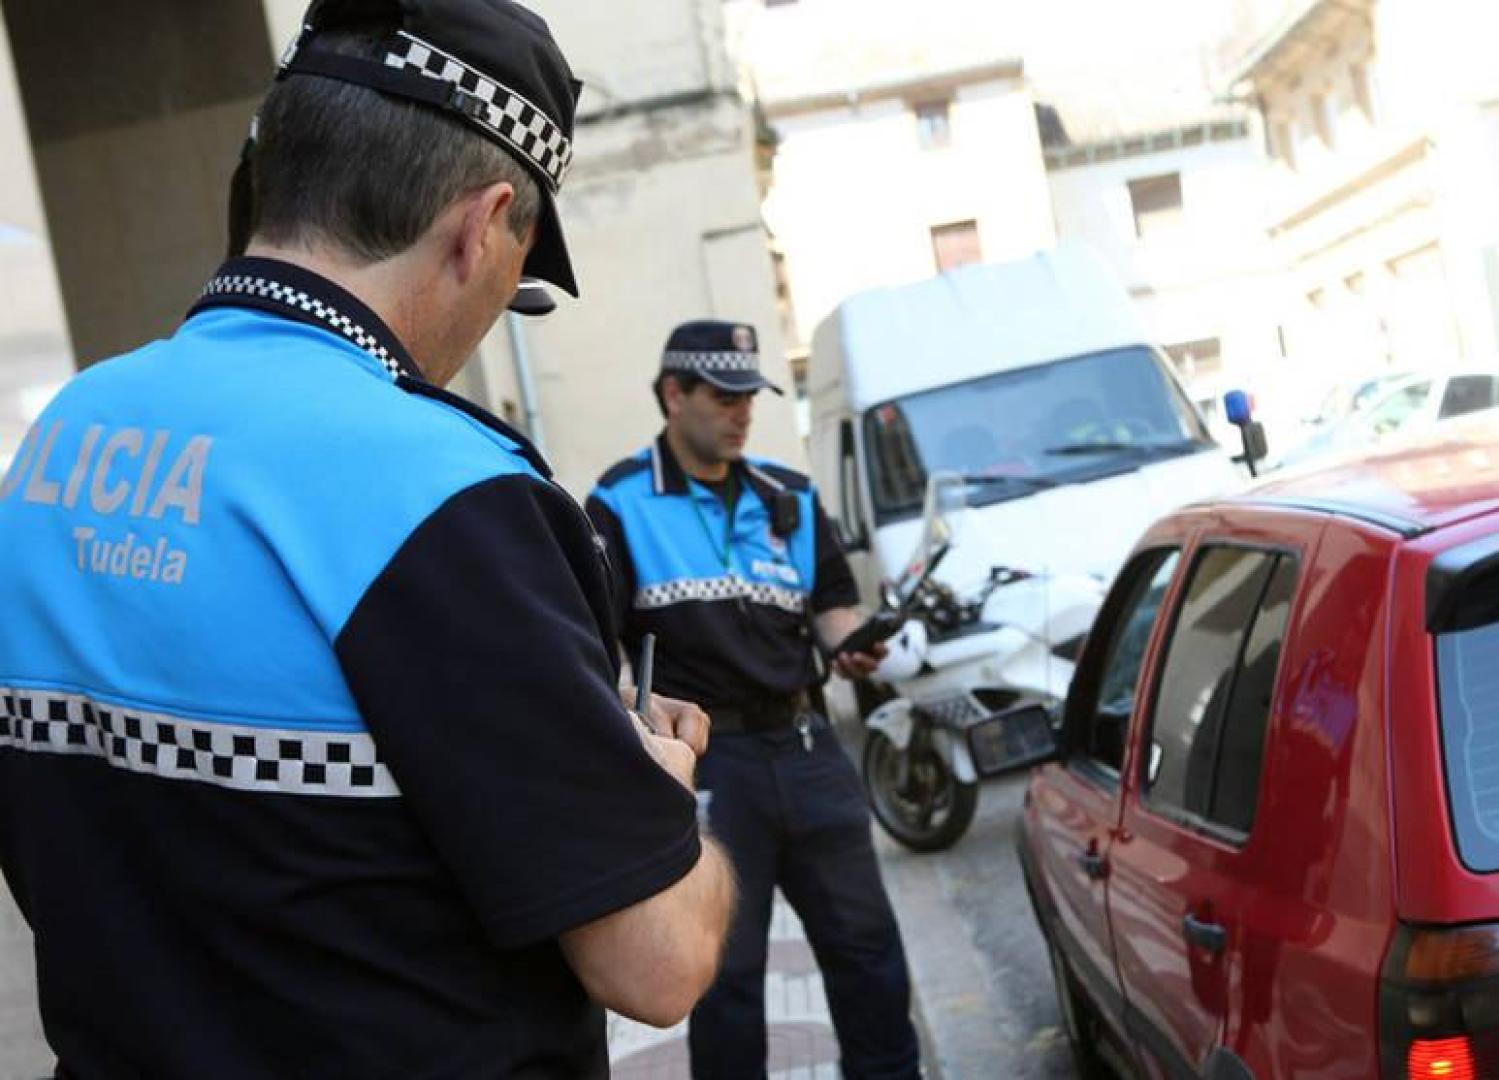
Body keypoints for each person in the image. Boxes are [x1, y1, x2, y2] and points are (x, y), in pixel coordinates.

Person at [0, 2, 734, 1075]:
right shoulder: (440, 490)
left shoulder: (64, 439)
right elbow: (656, 966)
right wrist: (656, 788)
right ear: (482, 226)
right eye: (511, 284)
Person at [586, 322, 921, 1079]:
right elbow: (595, 650)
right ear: (674, 395)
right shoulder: (617, 502)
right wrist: (645, 719)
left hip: (809, 748)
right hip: (711, 771)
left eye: (752, 397)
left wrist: (851, 642)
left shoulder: (790, 495)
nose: (743, 413)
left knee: (867, 948)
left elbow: (832, 605)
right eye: (725, 396)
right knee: (725, 979)